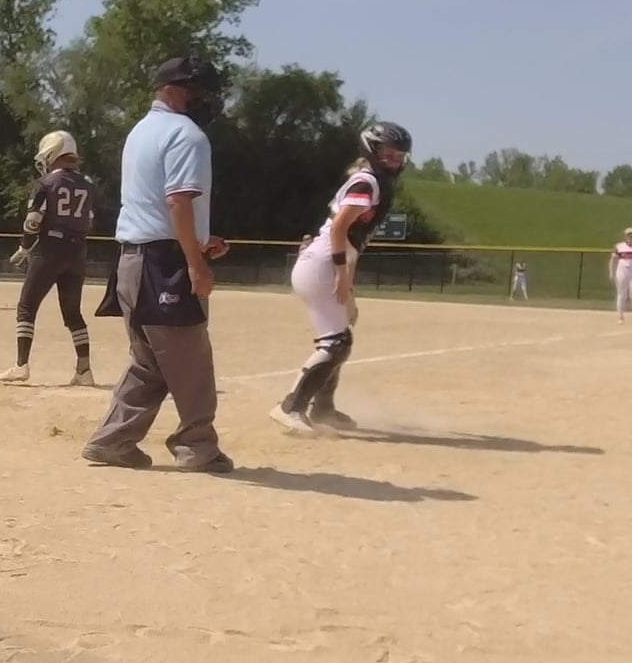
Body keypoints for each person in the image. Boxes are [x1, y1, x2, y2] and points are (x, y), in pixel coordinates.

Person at [81, 55, 234, 474]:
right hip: (164, 264)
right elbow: (177, 201)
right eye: (197, 90)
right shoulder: (187, 135)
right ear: (171, 90)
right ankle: (197, 447)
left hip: (132, 260)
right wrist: (196, 264)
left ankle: (112, 441)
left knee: (150, 363)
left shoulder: (140, 131)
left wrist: (199, 242)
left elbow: (153, 204)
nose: (204, 99)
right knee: (191, 360)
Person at [269, 122, 413, 434]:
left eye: (400, 156)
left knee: (342, 331)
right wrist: (341, 272)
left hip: (326, 263)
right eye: (389, 154)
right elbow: (339, 230)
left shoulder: (373, 182)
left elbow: (354, 242)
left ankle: (323, 408)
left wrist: (349, 280)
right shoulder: (367, 182)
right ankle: (291, 407)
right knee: (336, 342)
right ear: (372, 150)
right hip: (322, 265)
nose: (395, 161)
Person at [0, 130, 97, 386]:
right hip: (78, 250)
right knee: (73, 313)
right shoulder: (87, 184)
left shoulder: (46, 184)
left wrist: (25, 247)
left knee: (27, 306)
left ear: (53, 153)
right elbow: (89, 221)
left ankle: (21, 365)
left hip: (50, 249)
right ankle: (84, 370)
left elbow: (33, 221)